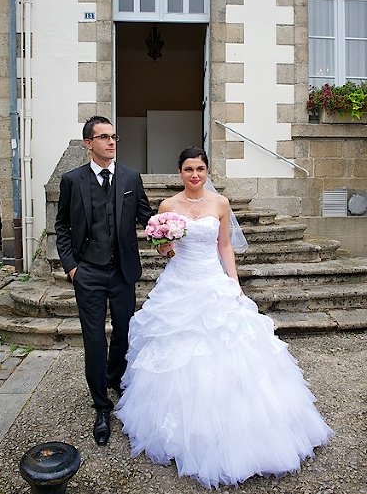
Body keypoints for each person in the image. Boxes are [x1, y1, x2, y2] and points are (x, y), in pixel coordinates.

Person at [115, 147, 333, 488]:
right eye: (188, 169)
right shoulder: (167, 207)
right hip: (179, 284)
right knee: (177, 350)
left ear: (206, 170)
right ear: (179, 172)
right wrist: (164, 242)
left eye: (200, 168)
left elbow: (224, 246)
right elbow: (162, 251)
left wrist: (234, 283)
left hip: (211, 281)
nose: (194, 175)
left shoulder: (220, 204)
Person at [54, 115, 154, 446]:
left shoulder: (129, 177)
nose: (111, 142)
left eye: (114, 137)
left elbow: (145, 216)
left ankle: (114, 377)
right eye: (103, 137)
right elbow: (63, 227)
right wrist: (72, 268)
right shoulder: (72, 180)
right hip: (89, 272)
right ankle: (101, 406)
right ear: (88, 143)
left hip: (123, 271)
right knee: (95, 339)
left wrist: (170, 228)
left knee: (125, 332)